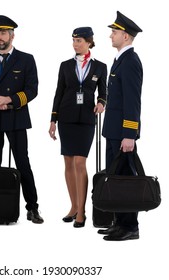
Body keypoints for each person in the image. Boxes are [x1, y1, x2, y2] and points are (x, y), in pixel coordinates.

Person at [0, 15, 44, 224]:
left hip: (16, 118)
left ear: (12, 35)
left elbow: (32, 90)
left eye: (3, 33)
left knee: (23, 163)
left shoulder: (26, 59)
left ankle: (32, 207)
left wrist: (10, 100)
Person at [48, 27, 107, 228]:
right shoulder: (65, 65)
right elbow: (59, 92)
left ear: (89, 42)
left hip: (87, 120)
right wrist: (53, 120)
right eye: (73, 40)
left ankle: (82, 211)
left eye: (79, 40)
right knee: (68, 163)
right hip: (66, 117)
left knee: (80, 163)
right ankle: (73, 206)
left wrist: (101, 103)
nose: (75, 44)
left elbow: (103, 91)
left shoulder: (100, 66)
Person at [99, 11, 143, 241]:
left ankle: (130, 227)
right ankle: (119, 222)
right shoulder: (120, 60)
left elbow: (132, 101)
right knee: (114, 178)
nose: (110, 36)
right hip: (113, 132)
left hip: (122, 135)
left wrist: (130, 134)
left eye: (114, 32)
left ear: (125, 36)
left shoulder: (131, 62)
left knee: (125, 180)